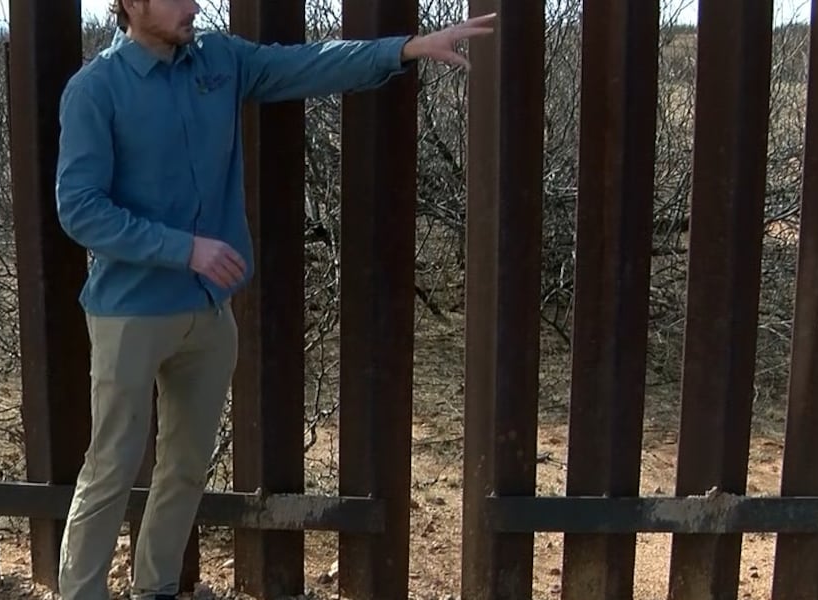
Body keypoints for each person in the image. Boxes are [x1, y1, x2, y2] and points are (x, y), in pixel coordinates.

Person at [53, 1, 496, 598]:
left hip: (209, 311)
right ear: (130, 3)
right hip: (130, 312)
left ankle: (154, 589)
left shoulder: (222, 60)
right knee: (111, 465)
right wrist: (184, 249)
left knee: (185, 467)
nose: (191, 5)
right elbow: (80, 208)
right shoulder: (95, 89)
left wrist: (404, 49)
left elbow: (310, 64)